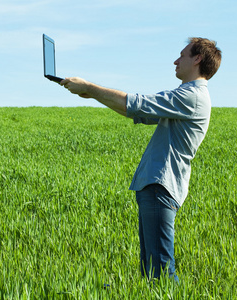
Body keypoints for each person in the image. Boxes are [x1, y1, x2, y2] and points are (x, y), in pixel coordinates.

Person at [60, 37, 222, 281]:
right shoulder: (186, 95)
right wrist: (92, 95)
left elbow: (135, 104)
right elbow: (137, 112)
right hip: (156, 185)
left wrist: (90, 87)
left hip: (161, 186)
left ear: (197, 59)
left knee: (160, 269)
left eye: (182, 55)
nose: (176, 61)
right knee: (150, 267)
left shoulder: (193, 97)